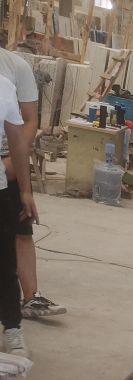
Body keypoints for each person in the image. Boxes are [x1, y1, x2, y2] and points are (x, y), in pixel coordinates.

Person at [0, 46, 66, 319]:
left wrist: (14, 162)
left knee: (21, 227)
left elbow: (29, 121)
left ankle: (30, 298)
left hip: (8, 159)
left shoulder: (16, 67)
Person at [0, 74, 38, 357]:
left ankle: (12, 328)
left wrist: (25, 190)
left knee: (4, 264)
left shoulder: (4, 87)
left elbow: (16, 142)